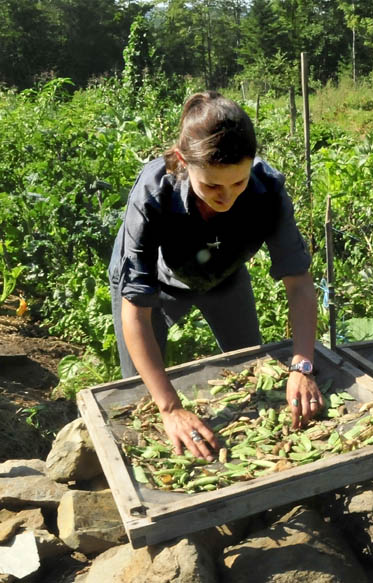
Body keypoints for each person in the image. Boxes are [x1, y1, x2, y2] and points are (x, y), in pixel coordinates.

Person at [108, 91, 323, 462]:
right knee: (144, 396)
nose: (226, 198)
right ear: (182, 161)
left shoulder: (267, 189)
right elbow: (135, 313)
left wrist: (302, 364)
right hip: (153, 288)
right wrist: (170, 408)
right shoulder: (153, 193)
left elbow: (300, 285)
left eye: (238, 184)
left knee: (249, 372)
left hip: (225, 278)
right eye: (211, 186)